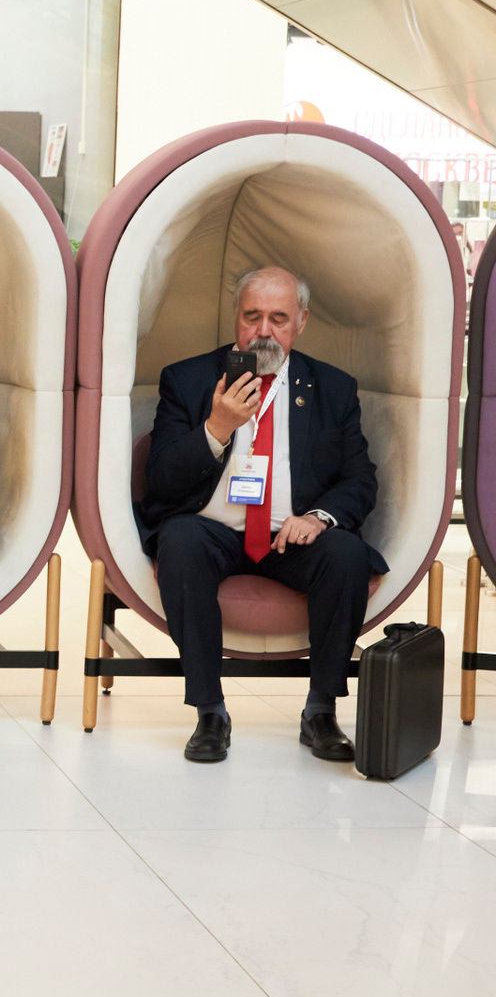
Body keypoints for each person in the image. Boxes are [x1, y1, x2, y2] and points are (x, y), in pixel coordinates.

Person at [138, 266, 385, 764]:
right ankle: (210, 713)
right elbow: (160, 478)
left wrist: (318, 517)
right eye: (252, 317)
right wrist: (216, 427)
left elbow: (360, 480)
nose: (264, 331)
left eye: (279, 318)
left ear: (302, 321)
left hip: (290, 535)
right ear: (236, 317)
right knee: (180, 541)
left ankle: (321, 710)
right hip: (210, 529)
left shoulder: (333, 388)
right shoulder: (187, 380)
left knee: (346, 554)